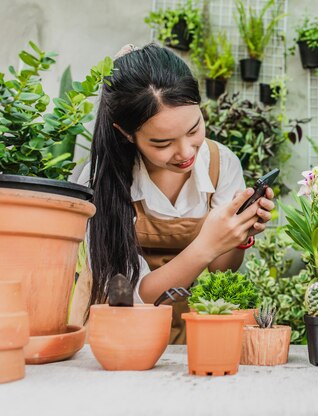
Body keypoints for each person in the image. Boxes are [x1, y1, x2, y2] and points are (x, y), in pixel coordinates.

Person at [68, 43, 274, 343]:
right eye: (163, 143)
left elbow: (220, 269)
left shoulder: (221, 164)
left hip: (192, 332)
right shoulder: (102, 181)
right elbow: (130, 297)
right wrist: (205, 245)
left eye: (194, 129)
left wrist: (238, 234)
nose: (186, 152)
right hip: (122, 337)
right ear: (126, 133)